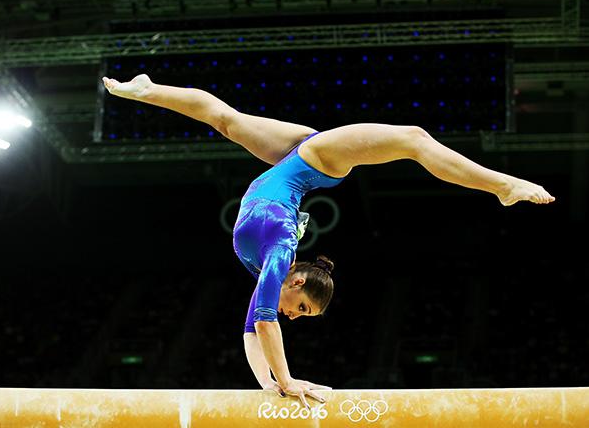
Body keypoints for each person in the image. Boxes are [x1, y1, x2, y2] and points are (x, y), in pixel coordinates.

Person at [102, 74, 554, 408]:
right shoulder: (279, 256)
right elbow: (265, 325)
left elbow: (252, 331)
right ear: (297, 282)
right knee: (414, 139)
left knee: (227, 120)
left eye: (300, 314)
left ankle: (148, 90)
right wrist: (288, 381)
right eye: (302, 310)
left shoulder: (271, 269)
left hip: (294, 161)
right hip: (316, 161)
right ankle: (503, 186)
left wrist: (272, 387)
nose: (294, 316)